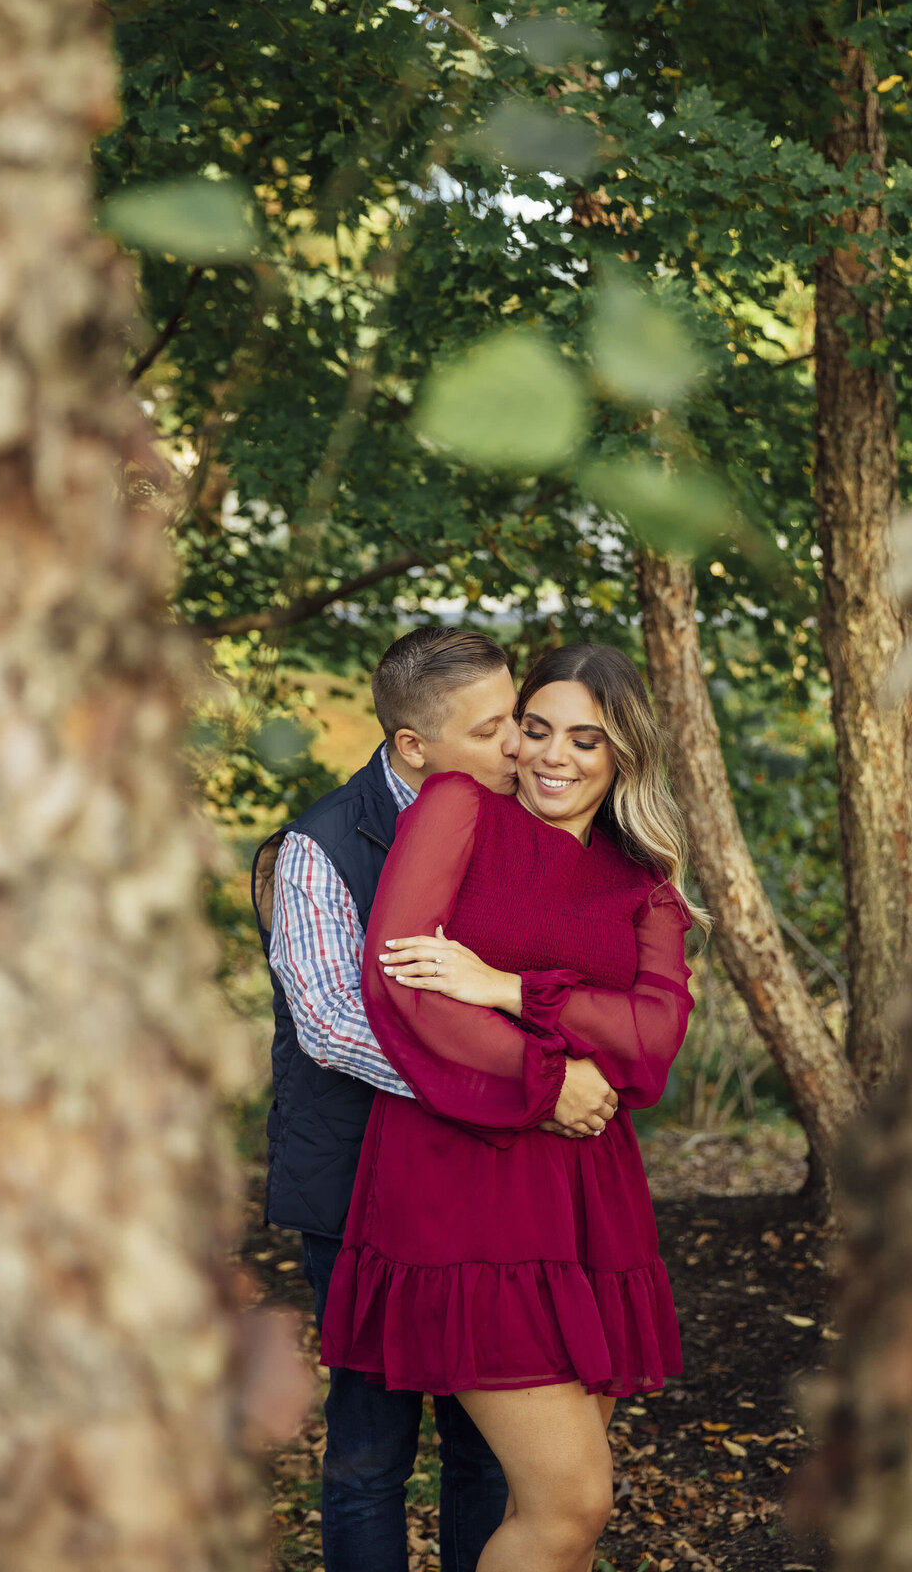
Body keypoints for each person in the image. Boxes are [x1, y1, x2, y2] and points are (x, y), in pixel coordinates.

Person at [320, 641, 699, 1572]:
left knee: (563, 1509)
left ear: (622, 757)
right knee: (572, 1501)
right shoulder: (459, 810)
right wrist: (550, 1080)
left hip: (589, 1200)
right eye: (536, 730)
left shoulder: (640, 880)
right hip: (467, 1179)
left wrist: (507, 988)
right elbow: (402, 987)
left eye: (587, 739)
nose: (555, 756)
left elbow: (651, 1044)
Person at [251, 627, 620, 1572]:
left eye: (522, 720)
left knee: (484, 1446)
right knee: (372, 1449)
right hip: (356, 1187)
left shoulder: (522, 819)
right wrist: (525, 1088)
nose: (521, 749)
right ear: (414, 747)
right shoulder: (318, 849)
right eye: (497, 729)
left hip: (482, 1192)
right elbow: (336, 1025)